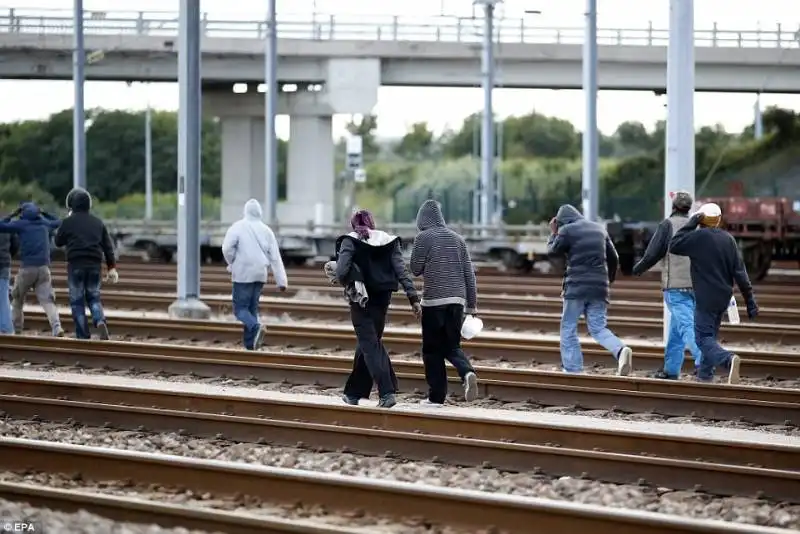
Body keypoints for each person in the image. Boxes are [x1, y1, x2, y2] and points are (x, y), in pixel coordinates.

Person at [334, 209, 421, 409]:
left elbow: (340, 273)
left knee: (370, 345)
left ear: (353, 225)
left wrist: (346, 272)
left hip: (360, 301)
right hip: (382, 300)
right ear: (372, 222)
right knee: (368, 344)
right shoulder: (389, 241)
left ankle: (387, 392)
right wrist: (413, 298)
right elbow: (402, 271)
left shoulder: (350, 241)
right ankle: (353, 393)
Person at [669, 202, 757, 384]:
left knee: (702, 339)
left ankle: (728, 359)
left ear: (701, 219)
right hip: (723, 297)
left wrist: (691, 223)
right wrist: (750, 301)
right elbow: (740, 273)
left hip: (705, 298)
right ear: (718, 220)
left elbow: (674, 245)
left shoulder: (698, 238)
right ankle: (705, 375)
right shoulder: (728, 240)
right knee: (710, 336)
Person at [547, 204, 633, 375]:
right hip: (600, 288)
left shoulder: (567, 230)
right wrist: (609, 280)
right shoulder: (599, 229)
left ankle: (573, 369)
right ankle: (620, 350)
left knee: (568, 327)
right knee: (598, 328)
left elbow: (552, 251)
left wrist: (554, 232)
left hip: (576, 288)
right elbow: (614, 257)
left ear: (561, 221)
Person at [410, 199, 479, 406]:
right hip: (457, 301)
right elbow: (469, 275)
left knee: (432, 351)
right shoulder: (458, 239)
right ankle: (467, 372)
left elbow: (415, 268)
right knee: (452, 346)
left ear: (422, 220)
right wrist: (472, 307)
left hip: (433, 302)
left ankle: (436, 397)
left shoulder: (423, 237)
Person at [632, 191, 702, 379]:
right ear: (689, 208)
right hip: (696, 286)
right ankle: (670, 370)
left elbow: (653, 253)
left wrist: (638, 269)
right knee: (677, 330)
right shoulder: (697, 227)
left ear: (673, 206)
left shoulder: (667, 225)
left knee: (687, 326)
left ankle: (704, 359)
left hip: (675, 286)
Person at [221, 198, 288, 351]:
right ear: (260, 212)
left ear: (245, 211)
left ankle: (256, 327)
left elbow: (226, 248)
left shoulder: (237, 227)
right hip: (260, 274)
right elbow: (275, 257)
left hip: (243, 273)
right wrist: (281, 281)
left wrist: (232, 261)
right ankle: (250, 345)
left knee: (240, 310)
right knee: (251, 310)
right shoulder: (266, 230)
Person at [54, 188, 119, 340]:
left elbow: (58, 242)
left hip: (76, 264)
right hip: (94, 264)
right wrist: (112, 267)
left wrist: (67, 221)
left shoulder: (68, 222)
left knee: (77, 301)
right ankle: (99, 320)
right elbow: (108, 247)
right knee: (94, 297)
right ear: (89, 204)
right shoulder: (98, 223)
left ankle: (83, 335)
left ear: (72, 205)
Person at [0, 202, 64, 336]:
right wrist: (44, 212)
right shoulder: (44, 224)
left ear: (23, 213)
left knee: (17, 300)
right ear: (37, 213)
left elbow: (1, 225)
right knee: (48, 301)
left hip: (27, 269)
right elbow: (58, 221)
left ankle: (17, 331)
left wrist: (13, 214)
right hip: (44, 269)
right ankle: (56, 326)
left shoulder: (21, 224)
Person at [0, 228, 19, 334]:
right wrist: (8, 255)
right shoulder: (6, 226)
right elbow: (15, 245)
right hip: (4, 263)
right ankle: (6, 329)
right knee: (3, 297)